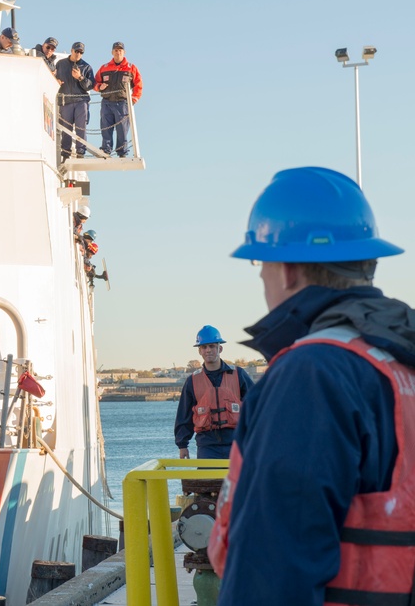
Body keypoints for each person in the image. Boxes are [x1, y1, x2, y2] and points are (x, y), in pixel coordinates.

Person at [207, 167, 414, 605]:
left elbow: (273, 568)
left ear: (288, 269)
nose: (261, 277)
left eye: (259, 262)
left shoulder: (313, 375)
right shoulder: (400, 363)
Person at [173, 326, 254, 460]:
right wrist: (182, 445)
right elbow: (184, 415)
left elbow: (257, 406)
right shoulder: (192, 381)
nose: (208, 350)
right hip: (207, 447)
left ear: (220, 348)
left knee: (238, 481)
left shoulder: (238, 375)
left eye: (212, 346)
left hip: (236, 443)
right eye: (204, 347)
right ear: (199, 351)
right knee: (207, 481)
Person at [94, 42, 142, 157]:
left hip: (122, 103)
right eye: (115, 50)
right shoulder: (104, 67)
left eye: (120, 50)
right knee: (106, 127)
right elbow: (95, 82)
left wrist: (134, 99)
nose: (118, 52)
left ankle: (122, 152)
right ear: (112, 52)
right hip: (107, 103)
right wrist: (99, 87)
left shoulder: (131, 68)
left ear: (124, 52)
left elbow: (138, 85)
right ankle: (106, 149)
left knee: (122, 129)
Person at [55, 42, 95, 160]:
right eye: (76, 51)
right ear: (71, 50)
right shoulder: (60, 64)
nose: (78, 54)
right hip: (65, 101)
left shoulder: (87, 67)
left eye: (81, 52)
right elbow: (54, 77)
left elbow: (90, 85)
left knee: (80, 127)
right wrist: (55, 81)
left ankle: (80, 152)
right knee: (66, 128)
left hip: (81, 101)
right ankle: (65, 153)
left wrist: (80, 77)